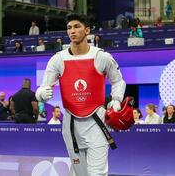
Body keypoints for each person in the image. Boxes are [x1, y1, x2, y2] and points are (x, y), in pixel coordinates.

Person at [35, 13, 126, 175]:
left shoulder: (101, 57)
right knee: (79, 173)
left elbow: (118, 81)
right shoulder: (58, 60)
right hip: (71, 124)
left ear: (87, 30)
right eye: (69, 27)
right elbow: (43, 88)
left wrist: (117, 100)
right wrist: (42, 93)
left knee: (97, 173)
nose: (72, 31)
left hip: (97, 121)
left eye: (77, 26)